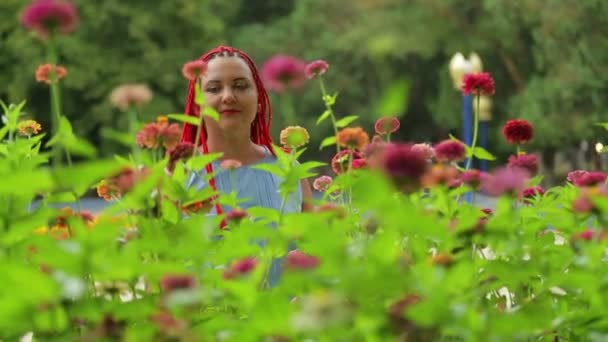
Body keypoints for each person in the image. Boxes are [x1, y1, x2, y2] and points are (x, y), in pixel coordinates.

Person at [181, 45, 313, 220]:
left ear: (259, 101)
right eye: (214, 89)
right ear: (197, 106)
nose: (228, 96)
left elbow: (314, 243)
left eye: (241, 86)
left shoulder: (290, 170)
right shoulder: (181, 174)